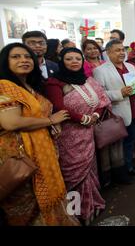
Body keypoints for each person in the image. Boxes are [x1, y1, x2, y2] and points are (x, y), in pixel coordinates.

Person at [0, 43, 78, 226]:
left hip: (44, 152)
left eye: (27, 57)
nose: (23, 60)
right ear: (5, 61)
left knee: (53, 195)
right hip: (21, 156)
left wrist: (51, 125)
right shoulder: (5, 86)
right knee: (27, 202)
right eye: (16, 57)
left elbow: (39, 115)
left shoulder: (31, 86)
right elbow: (11, 122)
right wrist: (51, 121)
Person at [45, 48, 109, 225]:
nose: (74, 61)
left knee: (89, 169)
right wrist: (83, 118)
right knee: (73, 174)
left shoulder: (87, 79)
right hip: (68, 135)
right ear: (61, 61)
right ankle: (75, 213)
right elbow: (58, 107)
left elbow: (102, 99)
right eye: (69, 58)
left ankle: (92, 204)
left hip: (88, 132)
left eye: (77, 58)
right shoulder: (55, 82)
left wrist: (95, 116)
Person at [93, 40, 135, 178]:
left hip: (134, 111)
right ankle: (120, 173)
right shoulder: (100, 71)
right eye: (117, 50)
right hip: (117, 114)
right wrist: (119, 93)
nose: (122, 53)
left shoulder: (130, 67)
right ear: (108, 53)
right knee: (118, 146)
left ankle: (129, 167)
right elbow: (99, 95)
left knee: (131, 140)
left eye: (123, 49)